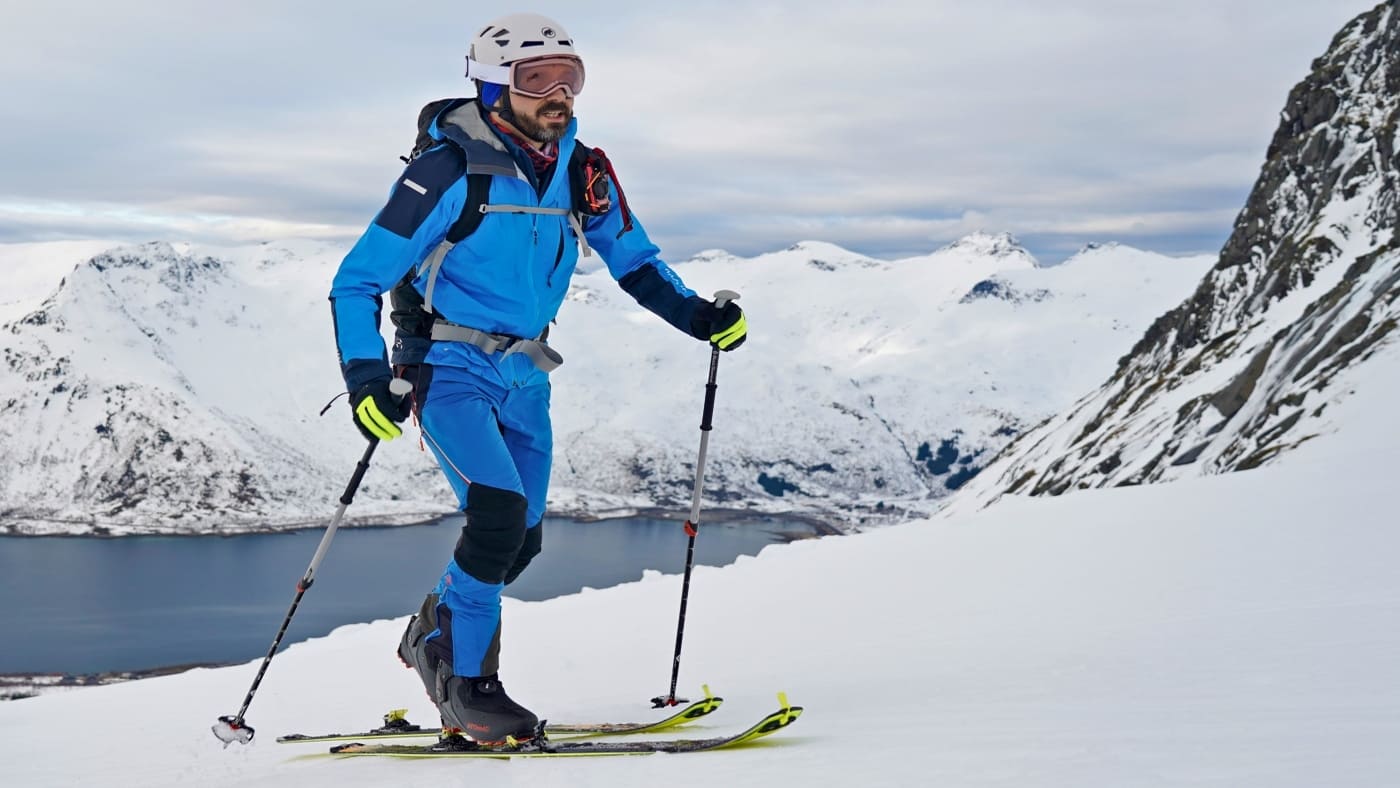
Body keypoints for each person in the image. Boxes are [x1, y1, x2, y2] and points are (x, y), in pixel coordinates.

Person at [327, 12, 747, 743]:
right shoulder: (446, 170)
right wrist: (366, 377)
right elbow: (355, 283)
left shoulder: (582, 170)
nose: (560, 94)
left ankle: (435, 633)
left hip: (526, 371)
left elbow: (634, 261)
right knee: (493, 522)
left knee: (519, 543)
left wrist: (698, 317)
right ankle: (468, 686)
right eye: (536, 79)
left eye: (571, 77)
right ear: (494, 87)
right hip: (445, 367)